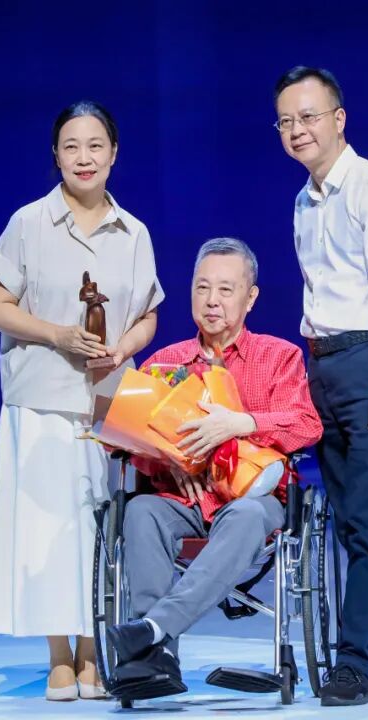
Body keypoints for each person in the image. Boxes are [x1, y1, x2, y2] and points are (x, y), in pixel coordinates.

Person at [0, 100, 164, 701]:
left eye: (95, 146)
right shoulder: (29, 223)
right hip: (40, 399)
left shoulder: (133, 233)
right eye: (71, 146)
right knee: (47, 532)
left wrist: (123, 348)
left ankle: (94, 652)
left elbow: (148, 316)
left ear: (114, 153)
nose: (84, 158)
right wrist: (58, 335)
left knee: (99, 529)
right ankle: (60, 654)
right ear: (56, 156)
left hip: (109, 405)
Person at [105, 237, 321, 700]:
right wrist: (163, 455)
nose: (212, 301)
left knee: (246, 515)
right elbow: (121, 442)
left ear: (251, 297)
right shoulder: (164, 363)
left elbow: (307, 424)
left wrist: (244, 423)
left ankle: (151, 632)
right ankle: (156, 662)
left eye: (226, 289)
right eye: (202, 288)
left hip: (252, 500)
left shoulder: (278, 357)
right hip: (180, 500)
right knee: (140, 512)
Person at [273, 66, 368, 706]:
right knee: (359, 523)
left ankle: (354, 665)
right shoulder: (303, 203)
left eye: (309, 117)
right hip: (324, 365)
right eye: (286, 121)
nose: (297, 130)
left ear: (339, 118)